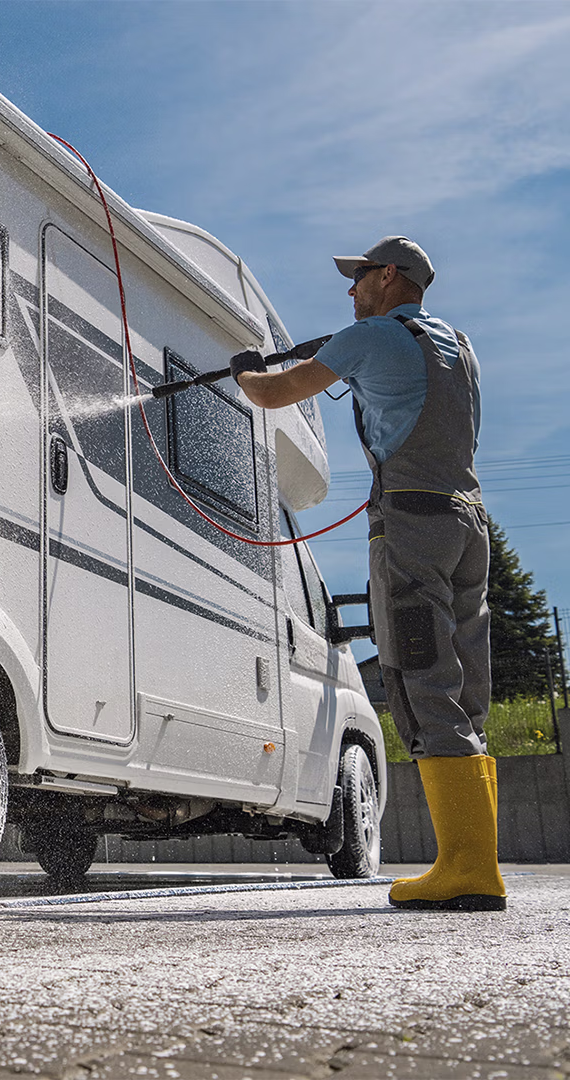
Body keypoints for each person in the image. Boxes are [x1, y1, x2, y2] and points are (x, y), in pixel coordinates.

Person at [231, 236, 505, 912]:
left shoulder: (373, 336)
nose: (350, 291)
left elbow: (276, 393)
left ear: (388, 276)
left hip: (411, 525)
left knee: (419, 678)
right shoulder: (458, 344)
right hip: (468, 523)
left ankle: (467, 869)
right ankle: (477, 864)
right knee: (465, 691)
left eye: (358, 278)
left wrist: (245, 374)